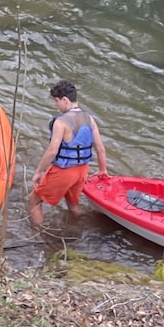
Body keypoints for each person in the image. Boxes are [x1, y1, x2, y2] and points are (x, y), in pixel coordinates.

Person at [29, 79, 108, 226]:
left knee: (34, 200)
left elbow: (52, 151)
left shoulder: (61, 122)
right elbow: (100, 148)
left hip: (64, 172)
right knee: (73, 204)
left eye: (56, 100)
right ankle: (81, 228)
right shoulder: (90, 119)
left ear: (65, 100)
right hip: (82, 171)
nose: (55, 104)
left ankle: (39, 234)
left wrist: (38, 172)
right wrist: (103, 170)